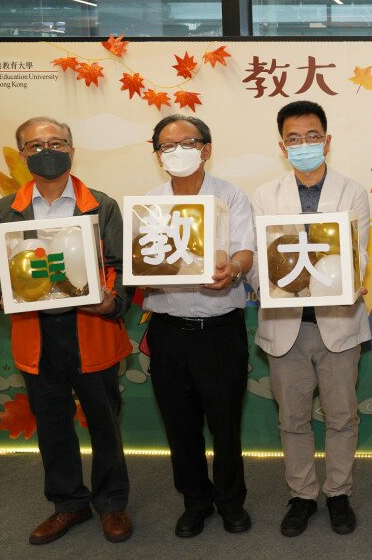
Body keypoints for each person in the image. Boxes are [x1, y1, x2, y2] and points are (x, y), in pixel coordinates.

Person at [0, 117, 133, 544]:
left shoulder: (102, 205)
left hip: (91, 331)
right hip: (36, 337)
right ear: (23, 155)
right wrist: (1, 294)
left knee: (105, 425)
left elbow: (121, 265)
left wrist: (111, 301)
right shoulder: (7, 209)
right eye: (35, 145)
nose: (47, 151)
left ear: (72, 148)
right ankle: (68, 504)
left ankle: (112, 504)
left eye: (56, 142)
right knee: (53, 426)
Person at [250, 100, 370, 537]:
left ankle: (338, 492)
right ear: (283, 147)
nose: (304, 145)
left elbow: (356, 252)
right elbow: (262, 260)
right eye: (295, 139)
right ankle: (302, 495)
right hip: (287, 328)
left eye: (313, 136)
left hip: (337, 323)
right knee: (293, 419)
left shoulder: (352, 191)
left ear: (327, 141)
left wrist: (350, 278)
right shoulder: (264, 195)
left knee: (341, 417)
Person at [141, 115, 256, 537]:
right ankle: (195, 501)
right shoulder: (148, 203)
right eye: (167, 146)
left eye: (187, 142)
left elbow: (246, 250)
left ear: (206, 148)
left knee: (226, 424)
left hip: (219, 329)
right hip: (168, 331)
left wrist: (236, 271)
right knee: (179, 423)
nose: (178, 152)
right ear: (157, 155)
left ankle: (230, 501)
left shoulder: (230, 196)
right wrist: (142, 272)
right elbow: (139, 262)